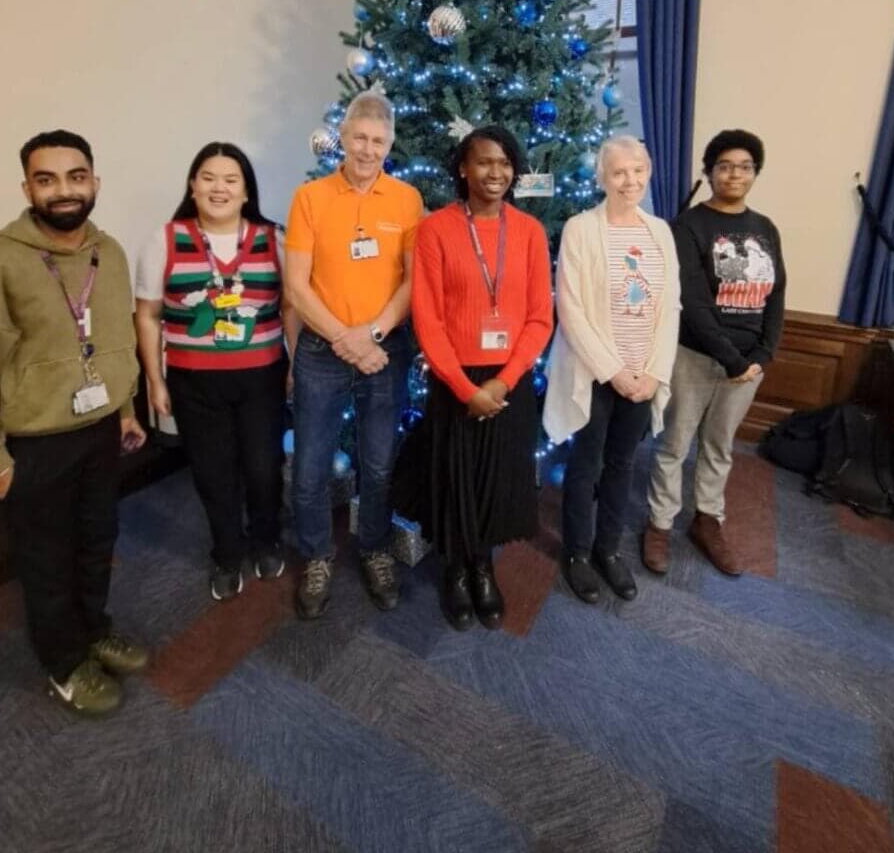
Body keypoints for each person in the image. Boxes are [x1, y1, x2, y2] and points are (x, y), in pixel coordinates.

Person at [0, 131, 148, 716]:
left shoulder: (108, 253)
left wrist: (123, 410)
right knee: (46, 562)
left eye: (76, 176)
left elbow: (113, 341)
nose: (64, 190)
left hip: (98, 435)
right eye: (47, 179)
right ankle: (64, 665)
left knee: (96, 545)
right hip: (33, 445)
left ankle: (93, 631)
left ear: (94, 182)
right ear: (27, 188)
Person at [393, 126, 553, 631]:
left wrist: (501, 384)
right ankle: (455, 570)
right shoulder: (437, 229)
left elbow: (539, 318)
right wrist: (466, 389)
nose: (496, 173)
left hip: (509, 381)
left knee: (495, 479)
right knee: (456, 477)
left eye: (505, 163)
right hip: (453, 379)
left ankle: (483, 566)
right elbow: (428, 318)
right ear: (463, 168)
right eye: (484, 162)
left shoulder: (528, 231)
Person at [135, 142, 294, 601]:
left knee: (264, 469)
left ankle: (265, 538)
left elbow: (289, 308)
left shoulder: (271, 239)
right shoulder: (165, 239)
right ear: (192, 185)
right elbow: (147, 314)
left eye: (231, 179)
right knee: (213, 472)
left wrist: (294, 362)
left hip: (261, 377)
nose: (218, 188)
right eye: (208, 177)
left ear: (246, 191)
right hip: (194, 383)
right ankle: (226, 553)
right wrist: (154, 379)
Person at [285, 92, 423, 620]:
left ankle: (373, 549)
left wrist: (374, 335)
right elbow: (297, 286)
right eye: (359, 138)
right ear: (342, 138)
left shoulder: (407, 199)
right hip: (323, 349)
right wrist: (346, 338)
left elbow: (414, 280)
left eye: (379, 141)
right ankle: (317, 554)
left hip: (384, 350)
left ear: (390, 144)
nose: (368, 150)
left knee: (379, 462)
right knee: (310, 467)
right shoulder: (310, 197)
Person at [544, 136, 680, 603]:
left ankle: (609, 550)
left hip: (644, 376)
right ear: (602, 177)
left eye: (639, 170)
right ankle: (578, 554)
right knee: (586, 466)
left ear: (649, 172)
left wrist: (654, 372)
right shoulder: (581, 229)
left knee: (624, 465)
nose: (631, 180)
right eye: (619, 172)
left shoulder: (660, 231)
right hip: (597, 374)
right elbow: (572, 308)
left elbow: (671, 308)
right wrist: (614, 371)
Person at [645, 129, 786, 577]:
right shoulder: (688, 225)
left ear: (755, 173)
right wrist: (733, 359)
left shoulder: (764, 228)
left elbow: (777, 294)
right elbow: (694, 302)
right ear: (709, 173)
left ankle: (708, 520)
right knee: (674, 443)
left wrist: (764, 353)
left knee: (720, 446)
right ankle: (660, 524)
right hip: (695, 356)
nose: (735, 174)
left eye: (745, 166)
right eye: (724, 166)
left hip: (748, 366)